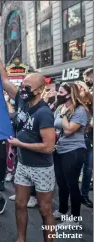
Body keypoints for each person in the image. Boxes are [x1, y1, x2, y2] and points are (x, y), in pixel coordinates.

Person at [1, 63, 56, 242]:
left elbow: (48, 147)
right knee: (19, 204)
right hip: (23, 165)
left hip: (42, 168)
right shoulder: (22, 101)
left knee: (45, 210)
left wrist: (20, 144)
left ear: (40, 90)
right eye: (22, 86)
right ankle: (21, 240)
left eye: (27, 87)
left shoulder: (44, 113)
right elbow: (4, 80)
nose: (23, 90)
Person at [53, 82, 89, 225]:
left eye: (61, 93)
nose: (58, 95)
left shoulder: (80, 110)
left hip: (74, 151)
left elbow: (68, 130)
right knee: (61, 183)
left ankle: (75, 219)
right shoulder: (60, 107)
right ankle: (62, 211)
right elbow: (53, 126)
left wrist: (62, 116)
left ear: (69, 94)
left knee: (72, 184)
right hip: (59, 149)